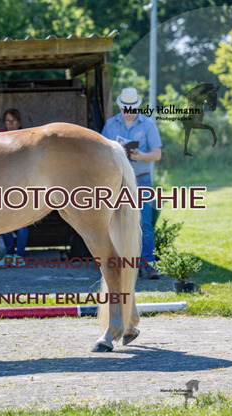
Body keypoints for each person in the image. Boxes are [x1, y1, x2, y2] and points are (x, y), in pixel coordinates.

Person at [101, 87, 162, 279]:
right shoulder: (110, 125)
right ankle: (120, 265)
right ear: (120, 107)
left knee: (145, 223)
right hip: (117, 181)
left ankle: (149, 265)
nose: (128, 111)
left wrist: (141, 155)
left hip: (141, 178)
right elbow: (101, 152)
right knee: (116, 222)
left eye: (132, 108)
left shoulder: (148, 125)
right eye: (125, 108)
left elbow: (157, 154)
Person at [0, 108, 29, 266]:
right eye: (7, 121)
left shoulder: (27, 138)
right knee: (3, 221)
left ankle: (19, 256)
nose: (10, 124)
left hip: (23, 184)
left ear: (19, 122)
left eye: (13, 121)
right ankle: (9, 254)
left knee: (23, 222)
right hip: (3, 185)